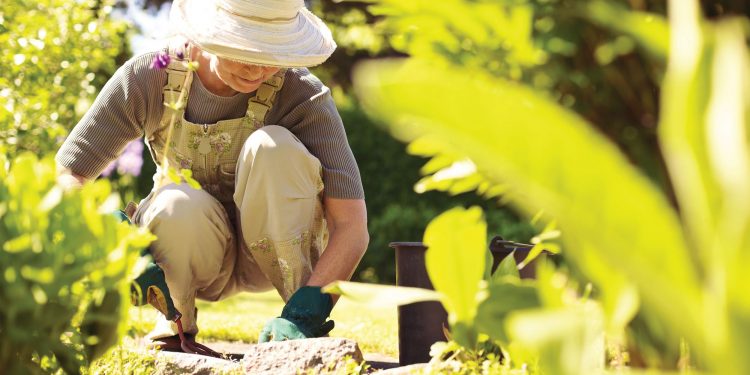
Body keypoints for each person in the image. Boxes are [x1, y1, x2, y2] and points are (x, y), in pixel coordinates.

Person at [55, 0, 369, 349]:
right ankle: (175, 329)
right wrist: (109, 233)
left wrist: (313, 305)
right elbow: (69, 176)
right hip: (187, 251)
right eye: (245, 48)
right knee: (174, 199)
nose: (257, 69)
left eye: (272, 52)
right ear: (207, 33)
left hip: (273, 257)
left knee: (272, 146)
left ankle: (294, 332)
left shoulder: (302, 94)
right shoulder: (149, 76)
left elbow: (351, 225)